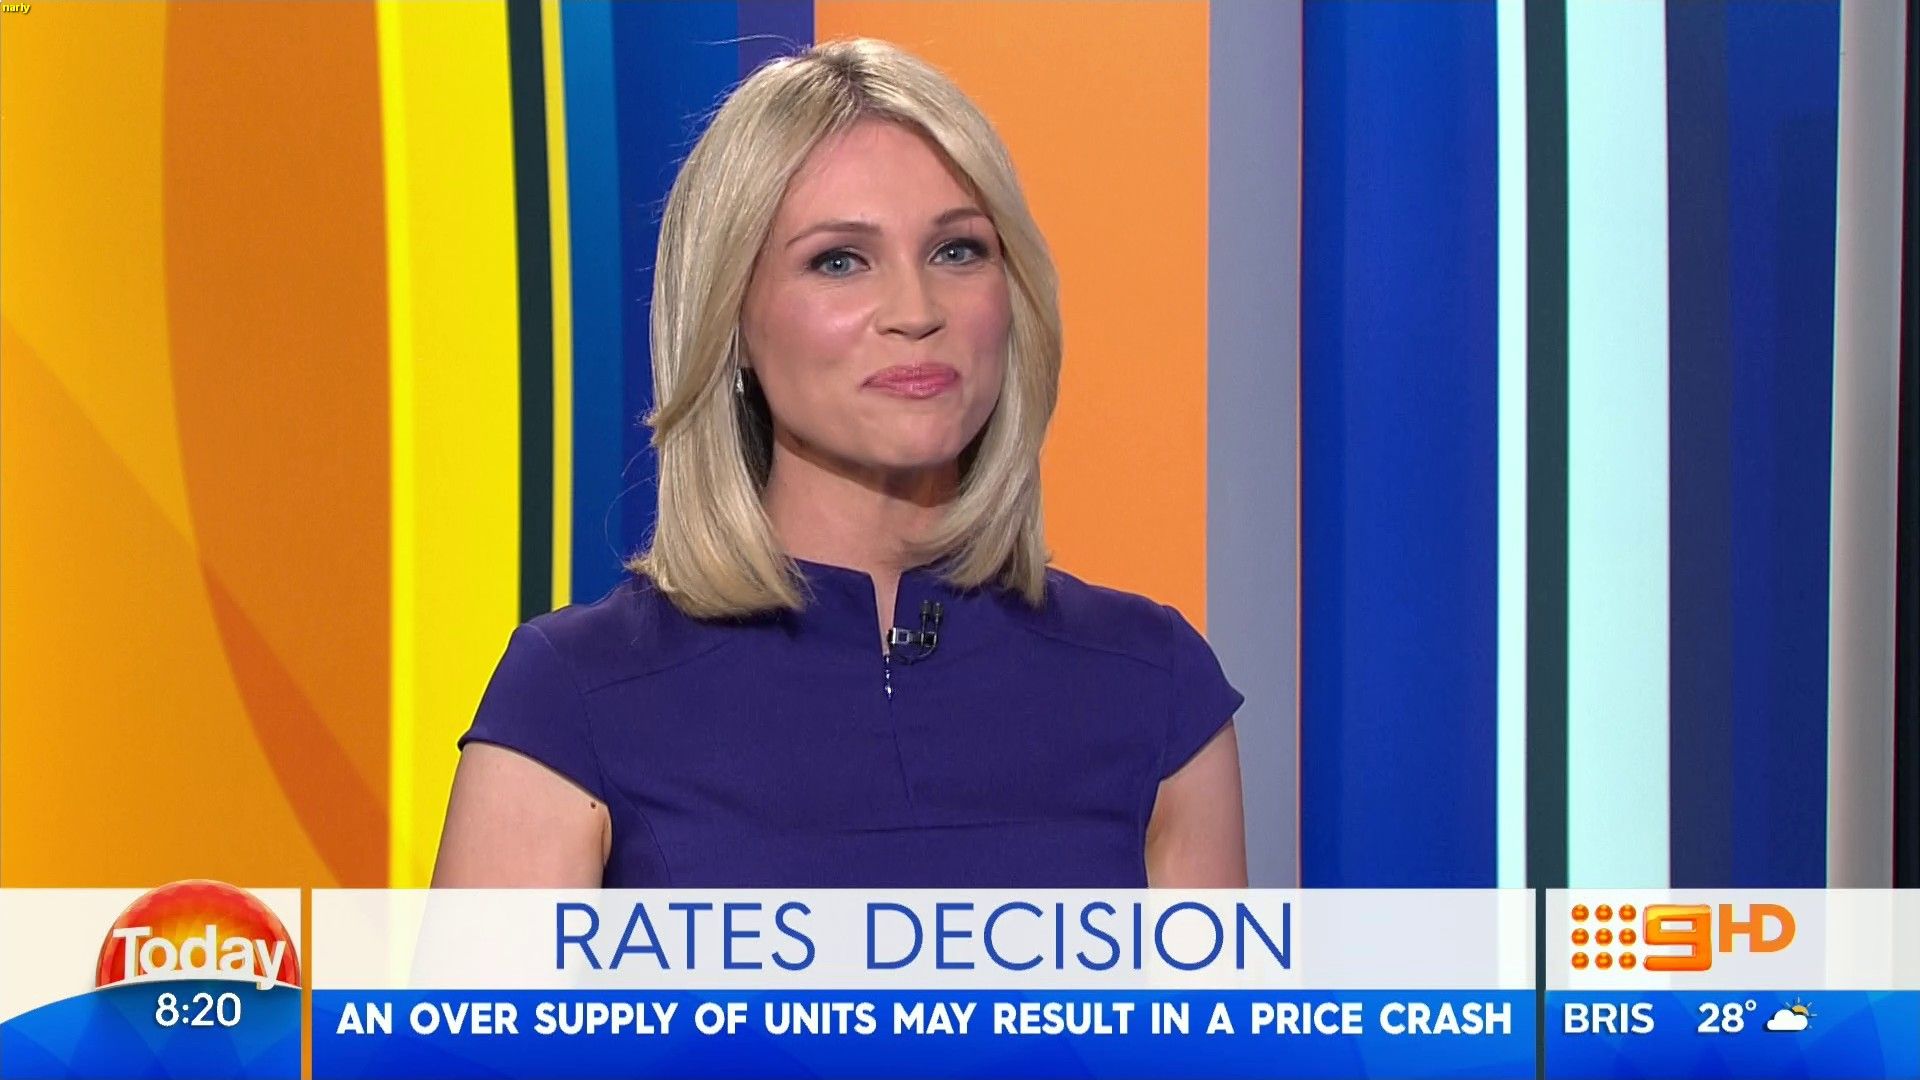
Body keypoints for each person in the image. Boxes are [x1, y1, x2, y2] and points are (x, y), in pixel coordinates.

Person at [432, 38, 1245, 890]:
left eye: (958, 251)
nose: (915, 310)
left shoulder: (1156, 691)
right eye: (839, 261)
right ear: (732, 321)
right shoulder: (573, 700)